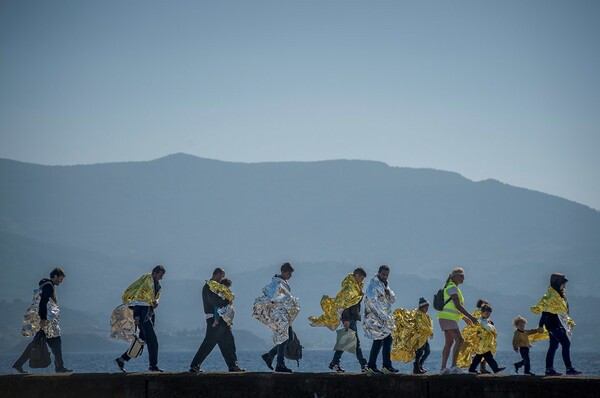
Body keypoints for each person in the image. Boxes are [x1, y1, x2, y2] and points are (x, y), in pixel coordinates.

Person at [13, 267, 73, 373]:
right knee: (56, 342)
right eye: (60, 279)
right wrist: (43, 319)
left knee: (36, 343)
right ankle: (59, 367)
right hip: (47, 322)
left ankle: (18, 365)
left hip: (43, 320)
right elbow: (43, 302)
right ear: (55, 276)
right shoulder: (49, 286)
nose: (61, 281)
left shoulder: (44, 285)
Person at [309, 267, 368, 372]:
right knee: (355, 343)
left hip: (352, 318)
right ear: (357, 276)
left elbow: (353, 303)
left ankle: (334, 363)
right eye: (361, 278)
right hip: (348, 319)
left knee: (345, 342)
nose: (362, 280)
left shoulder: (356, 287)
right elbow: (343, 305)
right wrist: (346, 319)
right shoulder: (349, 288)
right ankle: (364, 365)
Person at [189, 268, 244, 373]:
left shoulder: (215, 287)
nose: (222, 278)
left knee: (228, 343)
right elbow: (215, 302)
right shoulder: (210, 286)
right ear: (218, 274)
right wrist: (228, 299)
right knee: (209, 343)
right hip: (215, 319)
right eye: (222, 276)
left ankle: (233, 366)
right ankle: (195, 365)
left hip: (221, 320)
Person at [114, 265, 165, 372]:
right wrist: (136, 316)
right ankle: (153, 366)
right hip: (143, 316)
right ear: (155, 273)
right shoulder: (146, 284)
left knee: (141, 341)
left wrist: (155, 304)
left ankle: (121, 360)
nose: (161, 278)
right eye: (160, 275)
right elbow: (138, 300)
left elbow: (151, 301)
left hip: (149, 315)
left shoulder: (157, 285)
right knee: (153, 341)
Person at [531, 273, 582, 376]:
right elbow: (545, 312)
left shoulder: (560, 295)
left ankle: (549, 369)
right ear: (557, 283)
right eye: (563, 284)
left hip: (557, 325)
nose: (564, 286)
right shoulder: (550, 296)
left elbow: (564, 311)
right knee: (566, 344)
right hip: (553, 326)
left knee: (553, 346)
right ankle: (569, 368)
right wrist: (541, 325)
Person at [253, 262, 299, 373]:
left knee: (290, 337)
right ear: (283, 272)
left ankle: (270, 355)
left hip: (285, 314)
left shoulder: (283, 282)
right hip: (278, 315)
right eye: (289, 273)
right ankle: (280, 364)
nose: (290, 276)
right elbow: (273, 298)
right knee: (283, 338)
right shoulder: (277, 283)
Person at [437, 267, 478, 375]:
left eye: (463, 276)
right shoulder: (452, 287)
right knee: (460, 340)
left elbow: (454, 307)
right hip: (448, 318)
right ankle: (454, 366)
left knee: (449, 343)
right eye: (461, 276)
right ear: (454, 276)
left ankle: (443, 368)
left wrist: (463, 318)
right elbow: (457, 305)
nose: (463, 278)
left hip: (448, 318)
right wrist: (470, 317)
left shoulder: (453, 287)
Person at [363, 265, 398, 374]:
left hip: (384, 319)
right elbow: (372, 302)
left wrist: (388, 291)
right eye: (383, 274)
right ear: (378, 273)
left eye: (387, 275)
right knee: (382, 341)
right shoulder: (373, 285)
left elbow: (392, 299)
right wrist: (382, 317)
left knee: (383, 341)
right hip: (376, 319)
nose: (385, 277)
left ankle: (378, 365)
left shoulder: (384, 285)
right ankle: (380, 365)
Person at [390, 297, 434, 374]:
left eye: (427, 307)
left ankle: (420, 365)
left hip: (424, 337)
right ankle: (416, 367)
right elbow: (418, 325)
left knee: (427, 352)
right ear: (422, 307)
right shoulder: (418, 314)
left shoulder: (425, 315)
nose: (427, 309)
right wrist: (427, 330)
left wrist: (429, 332)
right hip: (418, 338)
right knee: (419, 352)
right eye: (426, 307)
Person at [465, 304, 505, 374]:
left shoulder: (486, 321)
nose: (488, 315)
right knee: (488, 355)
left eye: (489, 313)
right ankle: (495, 368)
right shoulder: (480, 321)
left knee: (478, 357)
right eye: (486, 313)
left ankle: (472, 369)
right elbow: (484, 328)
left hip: (483, 344)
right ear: (482, 312)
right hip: (481, 343)